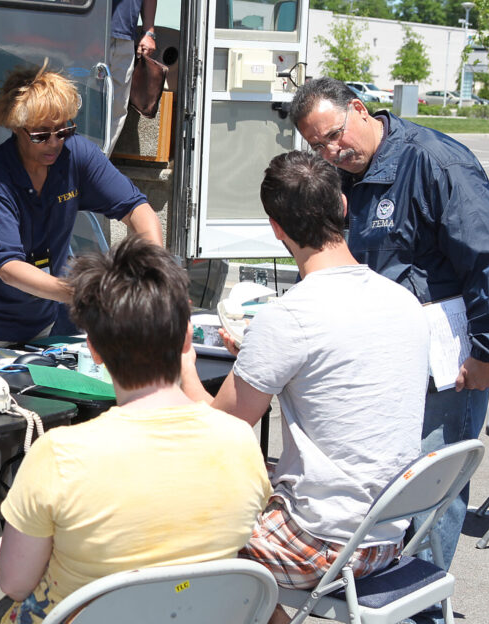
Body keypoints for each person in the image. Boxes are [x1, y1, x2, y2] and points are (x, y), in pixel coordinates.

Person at [0, 236, 270, 624]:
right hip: (192, 612)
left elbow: (14, 582)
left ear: (94, 350)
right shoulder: (240, 442)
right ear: (185, 341)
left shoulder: (61, 455)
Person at [289, 77, 489, 623]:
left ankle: (422, 612)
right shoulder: (342, 175)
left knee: (431, 492)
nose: (331, 153)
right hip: (381, 361)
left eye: (335, 137)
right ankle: (386, 603)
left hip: (447, 363)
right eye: (317, 146)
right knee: (383, 487)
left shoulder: (435, 162)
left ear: (360, 110)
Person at [180, 151, 430, 624]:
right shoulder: (403, 300)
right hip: (389, 533)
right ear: (342, 204)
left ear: (276, 227)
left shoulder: (291, 315)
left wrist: (184, 365)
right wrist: (258, 357)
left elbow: (220, 430)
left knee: (174, 522)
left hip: (325, 545)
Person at [0, 61, 162, 356]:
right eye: (41, 135)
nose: (54, 143)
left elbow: (136, 208)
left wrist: (156, 269)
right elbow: (9, 269)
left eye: (63, 130)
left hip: (37, 318)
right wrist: (88, 293)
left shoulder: (77, 155)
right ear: (16, 127)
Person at [106, 0, 158, 154]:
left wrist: (149, 32)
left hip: (125, 37)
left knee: (117, 107)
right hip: (89, 30)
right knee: (83, 103)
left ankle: (97, 164)